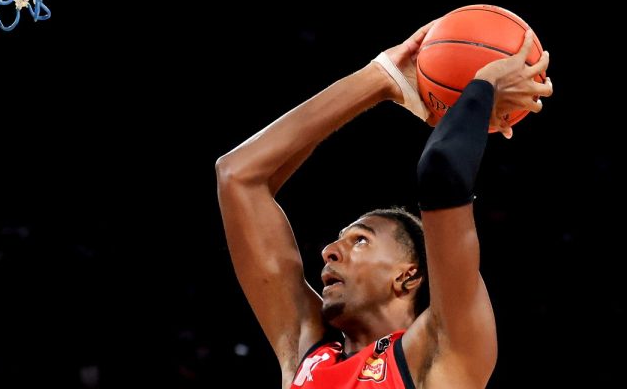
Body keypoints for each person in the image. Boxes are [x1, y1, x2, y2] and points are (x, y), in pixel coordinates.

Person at [215, 20, 552, 388]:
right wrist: (381, 77)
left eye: (360, 240)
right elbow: (239, 176)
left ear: (407, 275)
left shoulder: (441, 352)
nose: (328, 251)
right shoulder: (306, 354)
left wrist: (484, 86)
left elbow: (443, 172)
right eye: (340, 241)